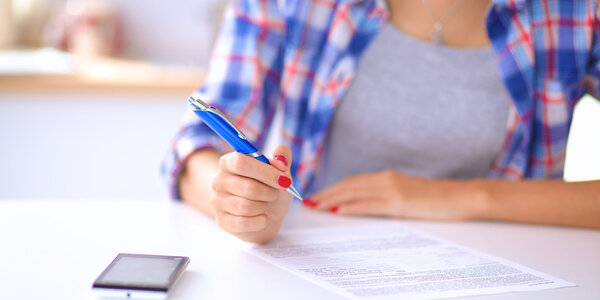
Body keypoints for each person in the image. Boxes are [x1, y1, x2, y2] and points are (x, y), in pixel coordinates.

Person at [162, 0, 600, 244]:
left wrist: (464, 198)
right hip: (324, 268)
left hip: (516, 281)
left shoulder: (577, 11)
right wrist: (238, 200)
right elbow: (195, 145)